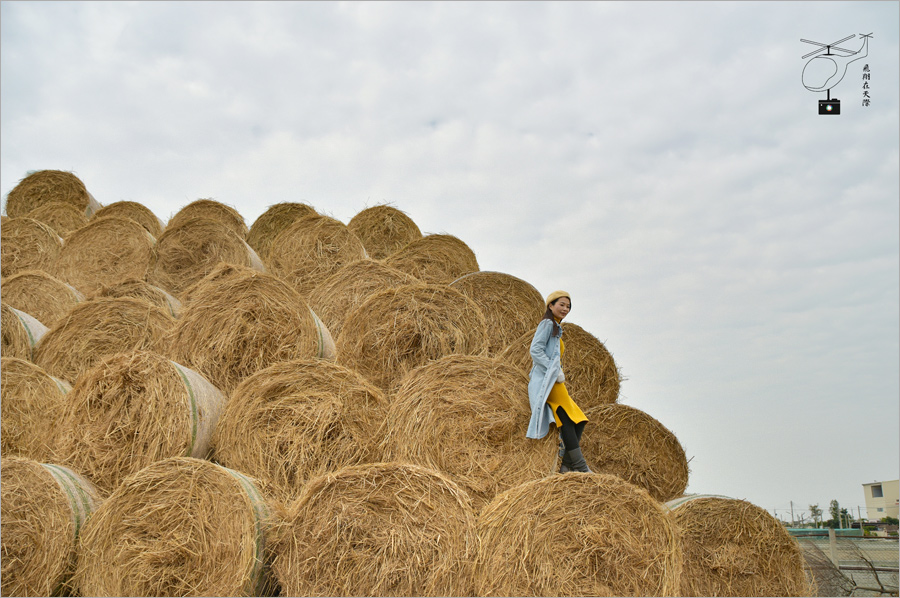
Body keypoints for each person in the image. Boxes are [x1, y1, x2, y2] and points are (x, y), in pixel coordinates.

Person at [526, 290, 591, 473]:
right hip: (549, 380)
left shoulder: (556, 327)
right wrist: (554, 370)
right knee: (567, 418)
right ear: (551, 305)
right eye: (561, 304)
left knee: (579, 419)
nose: (565, 309)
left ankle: (568, 465)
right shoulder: (547, 324)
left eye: (568, 306)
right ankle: (579, 465)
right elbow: (535, 350)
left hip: (555, 380)